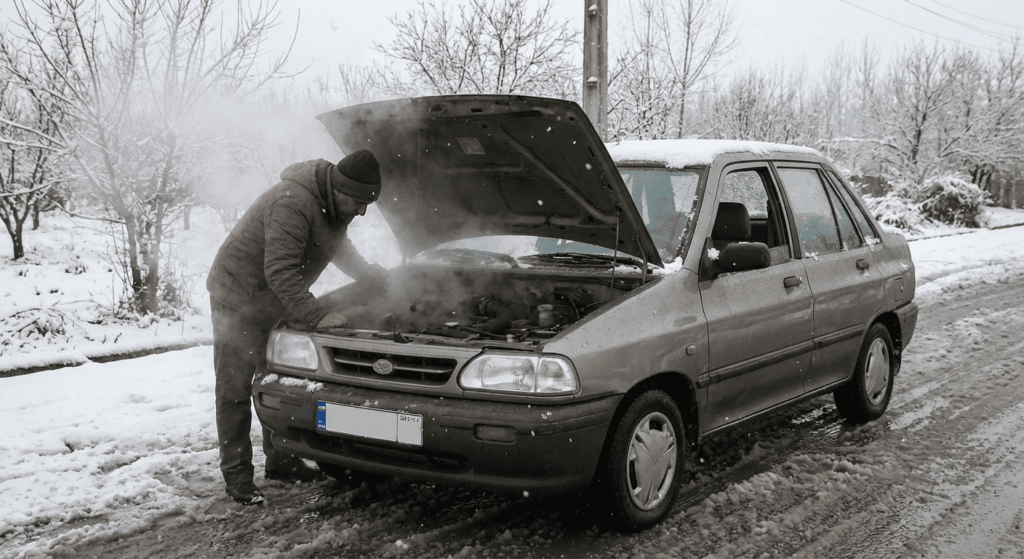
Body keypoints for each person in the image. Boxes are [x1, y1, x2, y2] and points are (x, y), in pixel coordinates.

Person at [206, 150, 386, 505]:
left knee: (275, 379)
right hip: (239, 297)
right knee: (235, 387)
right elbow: (280, 271)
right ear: (340, 188)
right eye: (359, 202)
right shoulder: (294, 202)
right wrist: (316, 316)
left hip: (273, 298)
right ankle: (238, 478)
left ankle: (282, 462)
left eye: (368, 204)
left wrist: (372, 277)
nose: (362, 212)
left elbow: (339, 249)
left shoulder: (333, 205)